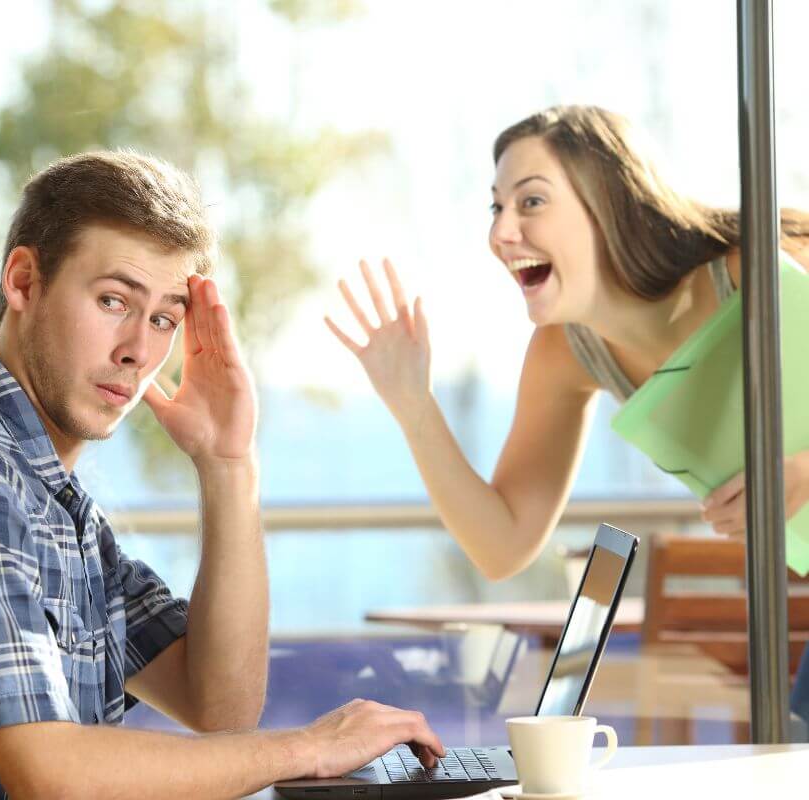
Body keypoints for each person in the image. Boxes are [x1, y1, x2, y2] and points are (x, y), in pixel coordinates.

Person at [0, 151, 444, 799]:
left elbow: (220, 706)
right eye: (114, 300)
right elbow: (51, 776)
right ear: (24, 282)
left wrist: (228, 465)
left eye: (164, 318)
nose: (138, 350)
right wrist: (309, 747)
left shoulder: (55, 504)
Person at [327, 104, 809, 727]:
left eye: (531, 202)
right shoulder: (565, 353)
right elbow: (503, 545)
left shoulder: (754, 271)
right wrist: (413, 405)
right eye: (496, 207)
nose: (502, 232)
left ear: (608, 200)